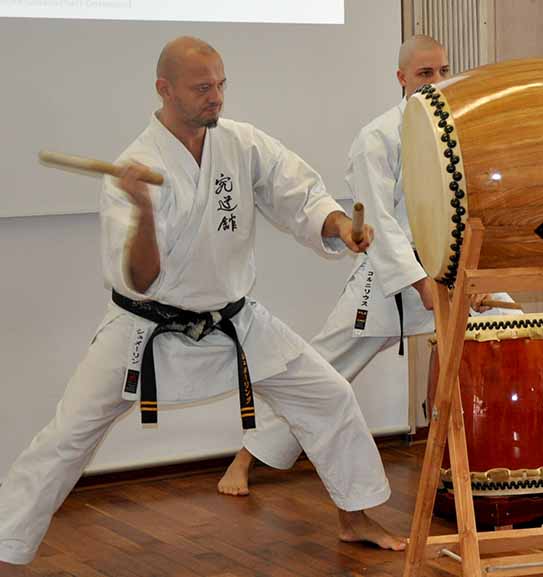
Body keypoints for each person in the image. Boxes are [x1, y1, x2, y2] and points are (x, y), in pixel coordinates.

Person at [0, 36, 406, 566]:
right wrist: (143, 210)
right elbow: (140, 279)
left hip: (235, 320)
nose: (215, 97)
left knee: (327, 395)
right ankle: (7, 544)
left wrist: (335, 225)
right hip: (145, 329)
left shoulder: (241, 143)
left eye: (220, 84)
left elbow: (298, 194)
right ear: (164, 90)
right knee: (66, 437)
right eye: (201, 88)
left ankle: (355, 517)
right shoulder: (137, 166)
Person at [218, 34, 516, 497]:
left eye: (442, 71)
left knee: (517, 330)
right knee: (323, 369)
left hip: (455, 270)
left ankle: (517, 458)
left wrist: (479, 270)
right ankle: (245, 459)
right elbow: (378, 221)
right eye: (424, 74)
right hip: (391, 279)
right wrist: (420, 284)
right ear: (401, 78)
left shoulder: (461, 131)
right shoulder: (376, 137)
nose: (436, 81)